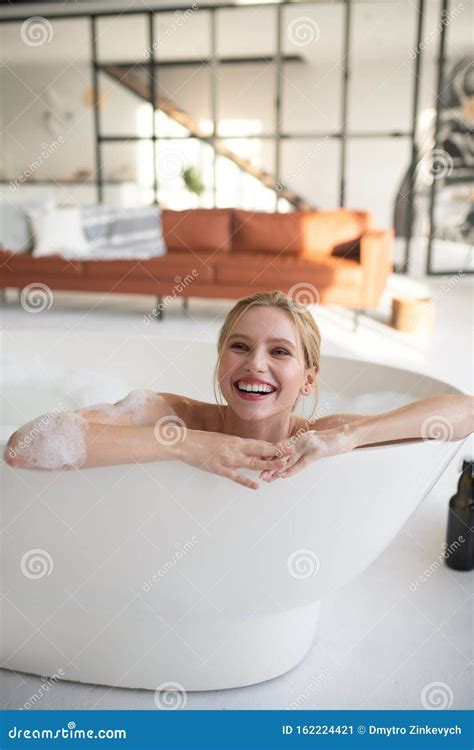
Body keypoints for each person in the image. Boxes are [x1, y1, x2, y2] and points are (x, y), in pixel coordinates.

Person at [3, 290, 473, 490]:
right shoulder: (169, 413)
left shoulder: (319, 435)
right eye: (240, 346)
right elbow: (24, 446)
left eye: (280, 352)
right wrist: (190, 445)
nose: (255, 364)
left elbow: (466, 412)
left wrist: (347, 437)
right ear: (221, 360)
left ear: (309, 377)